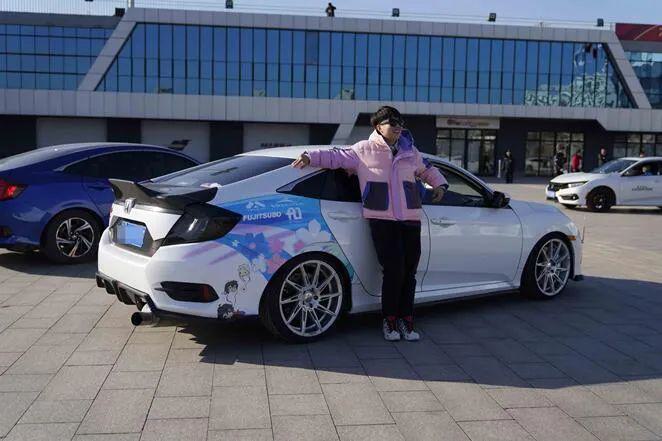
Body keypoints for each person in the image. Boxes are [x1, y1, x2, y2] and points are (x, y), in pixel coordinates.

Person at [292, 106, 448, 341]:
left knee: (409, 272)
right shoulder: (363, 149)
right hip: (382, 220)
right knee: (394, 271)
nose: (398, 126)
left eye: (400, 122)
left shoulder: (410, 151)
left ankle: (407, 321)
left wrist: (440, 185)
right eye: (392, 122)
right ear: (378, 126)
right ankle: (390, 321)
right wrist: (309, 156)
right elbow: (335, 157)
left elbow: (427, 169)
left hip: (410, 218)